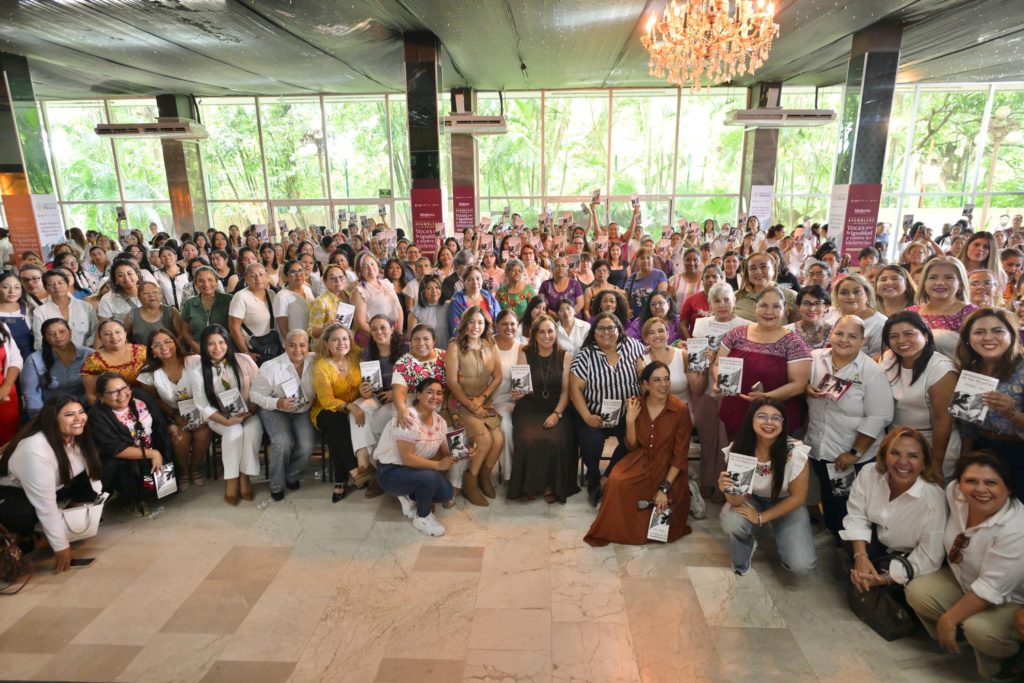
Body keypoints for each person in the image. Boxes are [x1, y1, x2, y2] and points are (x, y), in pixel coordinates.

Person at [906, 453, 1024, 681]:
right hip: (967, 581)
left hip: (1011, 600)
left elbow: (990, 589)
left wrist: (948, 619)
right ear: (959, 484)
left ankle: (1006, 663)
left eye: (991, 483)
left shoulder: (1017, 529)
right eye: (971, 481)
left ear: (1009, 488)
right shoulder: (954, 493)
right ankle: (960, 638)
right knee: (918, 590)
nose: (980, 489)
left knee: (979, 629)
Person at [584, 361, 693, 546]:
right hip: (639, 460)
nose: (664, 384)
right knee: (616, 481)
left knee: (663, 509)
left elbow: (680, 455)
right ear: (646, 384)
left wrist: (665, 488)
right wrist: (630, 420)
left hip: (668, 468)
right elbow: (631, 445)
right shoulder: (636, 404)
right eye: (657, 380)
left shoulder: (680, 410)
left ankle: (688, 490)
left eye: (666, 379)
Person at [805, 316, 895, 536]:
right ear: (831, 334)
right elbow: (796, 380)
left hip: (849, 455)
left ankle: (853, 549)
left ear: (863, 341)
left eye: (852, 336)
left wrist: (854, 453)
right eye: (839, 333)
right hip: (819, 448)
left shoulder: (871, 371)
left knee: (849, 506)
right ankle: (833, 539)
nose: (844, 340)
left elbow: (879, 417)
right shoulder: (814, 359)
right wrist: (805, 386)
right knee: (829, 499)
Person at [0, 396, 102, 571]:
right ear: (53, 420)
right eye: (69, 414)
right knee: (23, 513)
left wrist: (81, 517)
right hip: (10, 492)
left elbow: (91, 476)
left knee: (92, 484)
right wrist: (61, 547)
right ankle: (20, 540)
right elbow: (45, 506)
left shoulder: (77, 435)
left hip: (48, 486)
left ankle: (41, 535)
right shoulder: (35, 449)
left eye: (81, 412)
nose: (79, 418)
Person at [840, 427, 947, 594]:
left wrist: (884, 579)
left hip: (909, 556)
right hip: (877, 541)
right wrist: (860, 556)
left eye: (913, 456)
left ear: (925, 463)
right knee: (847, 541)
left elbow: (929, 556)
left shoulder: (934, 499)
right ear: (884, 456)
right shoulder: (869, 473)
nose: (903, 462)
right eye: (895, 453)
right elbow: (857, 514)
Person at [719, 399, 817, 576]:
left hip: (787, 502)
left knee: (801, 566)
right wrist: (728, 490)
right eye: (762, 416)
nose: (769, 422)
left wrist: (760, 517)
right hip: (752, 498)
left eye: (776, 418)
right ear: (751, 420)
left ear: (783, 423)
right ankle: (748, 544)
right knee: (732, 520)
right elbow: (736, 501)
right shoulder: (739, 448)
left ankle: (768, 528)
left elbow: (798, 497)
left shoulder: (795, 451)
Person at [569, 311, 647, 506]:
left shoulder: (633, 347)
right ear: (594, 332)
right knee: (592, 440)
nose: (606, 332)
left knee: (634, 439)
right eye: (601, 329)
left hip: (627, 413)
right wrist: (587, 416)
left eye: (611, 328)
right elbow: (575, 389)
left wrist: (642, 386)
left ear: (619, 330)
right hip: (595, 412)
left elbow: (644, 375)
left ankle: (606, 478)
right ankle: (593, 475)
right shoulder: (585, 355)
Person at [713, 286, 811, 439]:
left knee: (768, 454)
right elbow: (717, 364)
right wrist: (718, 382)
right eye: (763, 305)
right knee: (738, 453)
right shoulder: (737, 334)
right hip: (736, 412)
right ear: (755, 307)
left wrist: (766, 397)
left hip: (773, 420)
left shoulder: (793, 343)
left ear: (785, 310)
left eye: (776, 306)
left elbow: (798, 385)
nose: (769, 312)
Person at [189, 325, 262, 506]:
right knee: (234, 432)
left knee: (252, 431)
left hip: (248, 411)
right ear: (204, 346)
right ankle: (231, 479)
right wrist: (227, 421)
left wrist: (252, 409)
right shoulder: (198, 371)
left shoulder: (243, 360)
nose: (217, 348)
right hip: (219, 416)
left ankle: (244, 475)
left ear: (228, 343)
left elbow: (260, 386)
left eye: (221, 342)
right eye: (211, 344)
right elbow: (203, 405)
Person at [373, 378, 457, 536]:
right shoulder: (407, 418)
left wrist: (462, 452)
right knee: (431, 477)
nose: (435, 397)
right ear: (418, 395)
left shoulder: (440, 421)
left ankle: (410, 496)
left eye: (439, 393)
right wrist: (438, 465)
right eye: (429, 392)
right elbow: (407, 459)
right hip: (390, 472)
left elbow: (447, 451)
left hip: (415, 471)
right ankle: (422, 517)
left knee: (446, 493)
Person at [507, 316, 577, 503]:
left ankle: (552, 485)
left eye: (550, 331)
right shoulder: (525, 352)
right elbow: (520, 384)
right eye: (542, 332)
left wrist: (557, 414)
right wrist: (516, 392)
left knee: (556, 440)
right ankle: (530, 485)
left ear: (556, 333)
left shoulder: (565, 356)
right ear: (534, 334)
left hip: (556, 407)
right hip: (529, 407)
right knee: (527, 439)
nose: (547, 336)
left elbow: (566, 392)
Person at [956, 307, 1024, 499]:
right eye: (979, 332)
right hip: (981, 452)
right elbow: (967, 426)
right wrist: (963, 463)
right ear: (968, 339)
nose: (988, 337)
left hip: (1017, 454)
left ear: (1012, 335)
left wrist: (1011, 413)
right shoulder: (971, 370)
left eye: (997, 331)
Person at [881, 311, 959, 478]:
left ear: (926, 335)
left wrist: (936, 463)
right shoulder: (889, 358)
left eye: (909, 334)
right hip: (897, 440)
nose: (901, 341)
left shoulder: (941, 369)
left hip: (931, 443)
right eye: (894, 336)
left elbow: (943, 420)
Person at [90, 372, 173, 515]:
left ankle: (151, 489)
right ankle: (131, 499)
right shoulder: (97, 415)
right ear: (101, 396)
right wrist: (153, 454)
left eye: (124, 388)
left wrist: (170, 426)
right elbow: (116, 449)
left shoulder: (140, 397)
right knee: (122, 467)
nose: (121, 394)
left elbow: (158, 421)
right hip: (125, 458)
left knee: (165, 493)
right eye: (114, 392)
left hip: (150, 447)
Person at [137, 328, 210, 490]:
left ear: (175, 343)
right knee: (180, 438)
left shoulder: (194, 361)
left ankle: (194, 468)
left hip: (200, 410)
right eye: (157, 345)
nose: (163, 347)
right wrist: (173, 417)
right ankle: (183, 472)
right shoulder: (148, 373)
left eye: (167, 342)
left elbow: (210, 387)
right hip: (170, 414)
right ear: (152, 351)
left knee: (203, 433)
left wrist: (202, 413)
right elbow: (153, 401)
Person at [446, 307, 504, 506]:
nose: (475, 326)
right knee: (485, 441)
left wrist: (482, 398)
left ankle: (484, 476)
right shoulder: (455, 346)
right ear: (464, 323)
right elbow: (452, 382)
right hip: (461, 402)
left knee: (499, 440)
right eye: (471, 322)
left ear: (486, 325)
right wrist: (472, 404)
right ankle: (470, 481)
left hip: (483, 400)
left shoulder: (491, 344)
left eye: (480, 322)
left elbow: (498, 377)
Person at [250, 329, 316, 501]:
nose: (297, 350)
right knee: (282, 442)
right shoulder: (270, 367)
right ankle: (277, 484)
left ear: (308, 346)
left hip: (302, 411)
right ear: (284, 345)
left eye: (302, 345)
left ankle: (291, 474)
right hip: (275, 411)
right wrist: (277, 403)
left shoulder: (315, 361)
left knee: (307, 446)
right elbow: (254, 395)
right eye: (292, 345)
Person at [311, 323, 366, 502]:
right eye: (335, 340)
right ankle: (355, 471)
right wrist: (349, 407)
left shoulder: (356, 357)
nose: (341, 343)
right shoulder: (321, 366)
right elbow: (327, 400)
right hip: (324, 411)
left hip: (351, 409)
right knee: (334, 420)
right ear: (326, 343)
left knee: (335, 432)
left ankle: (341, 479)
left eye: (344, 339)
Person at [908, 257, 978, 357]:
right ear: (924, 283)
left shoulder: (971, 313)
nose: (940, 282)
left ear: (961, 283)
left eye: (949, 277)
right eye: (933, 277)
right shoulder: (911, 313)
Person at [21, 318, 92, 417]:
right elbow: (31, 395)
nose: (58, 336)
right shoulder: (34, 360)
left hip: (87, 409)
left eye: (62, 331)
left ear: (70, 332)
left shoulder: (90, 355)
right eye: (51, 333)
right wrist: (39, 419)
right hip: (51, 413)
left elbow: (97, 388)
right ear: (45, 337)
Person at [81, 319, 147, 403]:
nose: (114, 337)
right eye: (107, 334)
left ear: (125, 333)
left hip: (146, 399)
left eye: (117, 332)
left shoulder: (142, 351)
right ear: (101, 338)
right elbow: (91, 394)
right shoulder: (94, 361)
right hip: (114, 403)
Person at [31, 269, 97, 349]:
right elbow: (40, 341)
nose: (56, 287)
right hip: (55, 354)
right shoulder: (40, 312)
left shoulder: (86, 306)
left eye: (60, 283)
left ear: (68, 284)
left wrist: (86, 351)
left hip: (87, 352)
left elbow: (95, 331)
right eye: (51, 284)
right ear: (46, 288)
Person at [492, 309, 522, 481]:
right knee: (505, 427)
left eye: (512, 324)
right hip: (489, 400)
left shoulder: (521, 347)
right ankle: (508, 475)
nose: (509, 327)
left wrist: (522, 392)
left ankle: (513, 473)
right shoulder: (488, 344)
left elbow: (524, 379)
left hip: (513, 400)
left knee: (510, 427)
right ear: (496, 325)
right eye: (504, 324)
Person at [228, 263, 279, 364]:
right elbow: (234, 328)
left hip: (272, 348)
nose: (258, 278)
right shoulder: (240, 297)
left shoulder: (272, 294)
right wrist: (246, 353)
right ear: (246, 279)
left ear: (267, 276)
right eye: (253, 276)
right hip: (253, 352)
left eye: (261, 274)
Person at [179, 266, 232, 355]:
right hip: (198, 352)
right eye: (201, 281)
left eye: (210, 280)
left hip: (225, 350)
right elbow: (186, 332)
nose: (206, 284)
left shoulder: (228, 300)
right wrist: (199, 350)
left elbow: (235, 329)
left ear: (216, 281)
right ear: (195, 283)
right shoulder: (189, 303)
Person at [733, 252, 798, 323]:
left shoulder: (791, 297)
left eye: (763, 267)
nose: (758, 272)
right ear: (747, 273)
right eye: (753, 268)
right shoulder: (736, 296)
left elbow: (799, 327)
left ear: (774, 269)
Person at [352, 253, 403, 341]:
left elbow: (399, 309)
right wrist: (383, 337)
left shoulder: (386, 283)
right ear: (359, 270)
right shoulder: (359, 291)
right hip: (374, 336)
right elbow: (360, 322)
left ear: (377, 264)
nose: (370, 268)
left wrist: (398, 332)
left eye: (372, 264)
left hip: (393, 332)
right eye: (364, 266)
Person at [125, 281, 186, 346]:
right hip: (143, 352)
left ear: (161, 295)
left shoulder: (171, 311)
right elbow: (125, 337)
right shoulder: (132, 314)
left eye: (155, 292)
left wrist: (171, 347)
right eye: (146, 293)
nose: (151, 295)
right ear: (139, 297)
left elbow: (182, 334)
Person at [447, 265, 501, 335]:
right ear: (464, 282)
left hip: (490, 339)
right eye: (470, 279)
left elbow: (499, 320)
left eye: (478, 278)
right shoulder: (456, 301)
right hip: (466, 340)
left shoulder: (489, 297)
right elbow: (456, 330)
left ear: (482, 280)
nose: (475, 282)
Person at [273, 259, 313, 343]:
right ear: (286, 277)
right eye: (293, 272)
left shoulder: (307, 289)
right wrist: (292, 344)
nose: (298, 275)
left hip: (310, 339)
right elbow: (282, 327)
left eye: (300, 270)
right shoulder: (282, 297)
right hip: (295, 343)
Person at [678, 264, 724, 337]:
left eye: (714, 276)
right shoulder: (691, 300)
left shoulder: (727, 300)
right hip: (697, 342)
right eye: (707, 277)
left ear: (721, 278)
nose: (711, 280)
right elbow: (683, 324)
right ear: (703, 279)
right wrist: (690, 341)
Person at [307, 264, 350, 341]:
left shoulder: (351, 297)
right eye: (332, 278)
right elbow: (312, 331)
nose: (338, 280)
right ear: (325, 281)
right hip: (328, 344)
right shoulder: (321, 301)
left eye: (341, 277)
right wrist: (327, 328)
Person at [623, 247, 668, 319]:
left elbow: (661, 298)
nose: (645, 260)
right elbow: (625, 298)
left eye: (648, 258)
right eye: (642, 258)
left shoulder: (660, 275)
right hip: (634, 320)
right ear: (637, 261)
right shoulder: (632, 277)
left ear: (652, 259)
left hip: (653, 319)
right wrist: (627, 310)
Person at [0, 272, 33, 361]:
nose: (12, 291)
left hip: (27, 361)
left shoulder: (29, 310)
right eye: (5, 287)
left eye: (17, 287)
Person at [0, 321, 22, 444]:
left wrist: (6, 386)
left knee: (8, 437)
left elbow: (15, 359)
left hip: (5, 389)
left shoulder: (2, 326)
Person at [153, 245, 189, 309]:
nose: (167, 257)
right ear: (160, 259)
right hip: (167, 311)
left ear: (176, 256)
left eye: (170, 254)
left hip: (187, 310)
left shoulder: (186, 273)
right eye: (163, 256)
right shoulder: (156, 275)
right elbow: (157, 295)